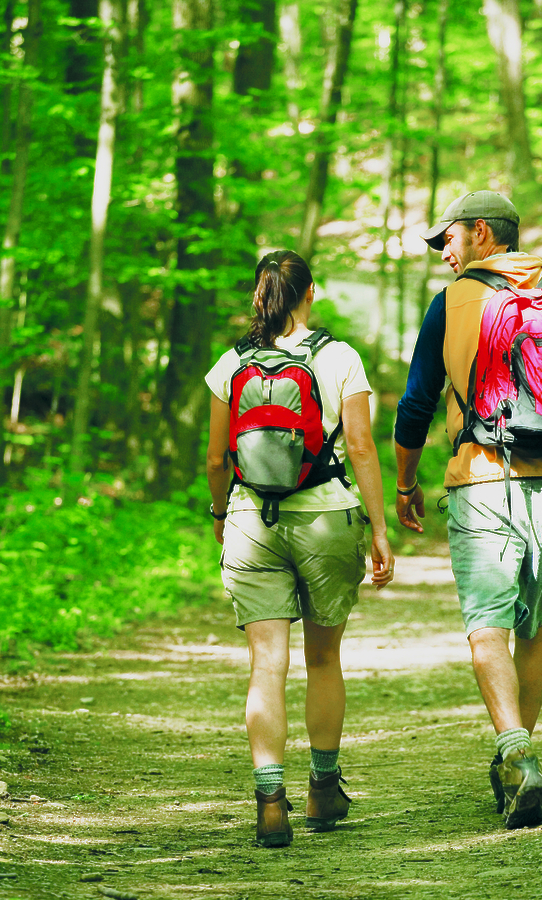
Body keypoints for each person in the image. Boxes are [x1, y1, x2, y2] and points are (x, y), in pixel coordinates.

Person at [393, 190, 542, 829]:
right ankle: (519, 754)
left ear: (481, 233)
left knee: (485, 624)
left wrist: (403, 484)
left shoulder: (451, 304)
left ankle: (515, 750)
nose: (443, 252)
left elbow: (416, 403)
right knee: (535, 624)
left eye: (446, 238)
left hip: (480, 477)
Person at [205, 249, 395, 848]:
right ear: (309, 291)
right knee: (322, 661)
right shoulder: (339, 357)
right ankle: (322, 787)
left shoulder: (230, 362)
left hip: (250, 521)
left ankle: (269, 800)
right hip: (325, 521)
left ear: (260, 294)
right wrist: (381, 528)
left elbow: (215, 459)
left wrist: (219, 512)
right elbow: (362, 448)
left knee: (267, 665)